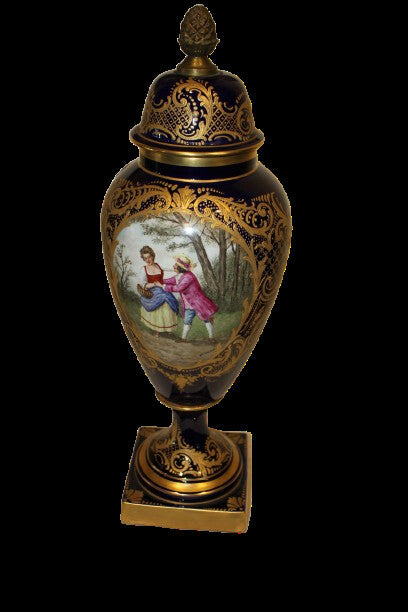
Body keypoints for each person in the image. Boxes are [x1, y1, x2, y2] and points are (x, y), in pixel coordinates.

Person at [157, 254, 218, 341]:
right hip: (189, 305)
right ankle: (183, 338)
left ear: (180, 268)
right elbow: (168, 281)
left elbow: (179, 288)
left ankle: (211, 337)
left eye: (175, 265)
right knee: (187, 321)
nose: (173, 266)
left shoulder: (188, 276)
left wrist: (163, 286)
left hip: (198, 303)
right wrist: (157, 279)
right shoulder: (179, 276)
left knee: (206, 319)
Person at [138, 246, 178, 335]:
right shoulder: (143, 269)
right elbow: (143, 285)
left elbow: (171, 269)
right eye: (145, 258)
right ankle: (157, 329)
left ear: (152, 256)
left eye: (149, 257)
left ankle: (168, 328)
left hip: (162, 289)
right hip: (152, 292)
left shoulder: (159, 266)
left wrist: (178, 269)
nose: (148, 260)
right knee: (162, 299)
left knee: (168, 300)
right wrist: (154, 284)